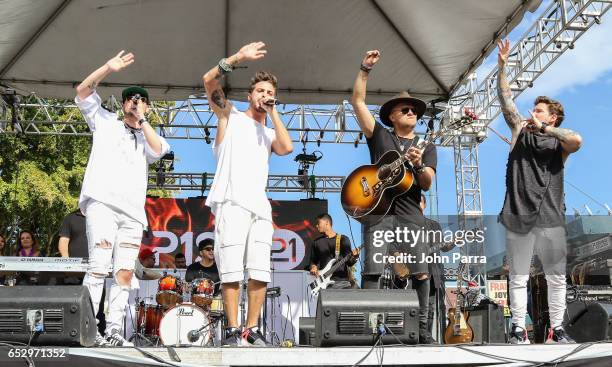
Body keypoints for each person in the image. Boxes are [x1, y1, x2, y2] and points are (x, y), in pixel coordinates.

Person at [75, 50, 170, 347]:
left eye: (141, 99)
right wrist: (107, 67)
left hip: (131, 214)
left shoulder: (149, 135)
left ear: (148, 107)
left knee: (124, 273)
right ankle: (88, 329)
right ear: (122, 103)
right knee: (99, 267)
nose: (135, 101)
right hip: (102, 204)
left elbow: (159, 150)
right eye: (131, 98)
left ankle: (114, 330)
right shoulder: (105, 122)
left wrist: (143, 121)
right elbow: (82, 91)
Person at [202, 41, 293, 346]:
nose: (265, 96)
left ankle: (251, 329)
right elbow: (208, 81)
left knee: (259, 270)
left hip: (259, 206)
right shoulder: (230, 116)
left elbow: (287, 148)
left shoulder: (269, 133)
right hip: (231, 201)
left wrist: (274, 113)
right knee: (230, 267)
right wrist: (238, 57)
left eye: (270, 92)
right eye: (260, 91)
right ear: (249, 95)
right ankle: (231, 328)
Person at [496, 39, 581, 344]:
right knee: (517, 276)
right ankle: (518, 327)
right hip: (519, 213)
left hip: (551, 217)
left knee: (556, 277)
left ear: (552, 117)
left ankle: (557, 329)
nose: (533, 112)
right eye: (533, 109)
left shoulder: (558, 140)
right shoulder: (520, 129)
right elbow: (505, 100)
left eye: (540, 110)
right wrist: (502, 67)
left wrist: (544, 129)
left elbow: (578, 140)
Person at [350, 50, 437, 343]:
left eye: (414, 110)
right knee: (373, 271)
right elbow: (358, 102)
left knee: (420, 272)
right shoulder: (380, 136)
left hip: (411, 214)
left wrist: (418, 164)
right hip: (377, 210)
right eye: (405, 110)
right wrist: (364, 70)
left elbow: (427, 184)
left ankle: (423, 330)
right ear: (391, 116)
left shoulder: (425, 146)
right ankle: (370, 329)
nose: (412, 112)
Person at [310, 214, 359, 289]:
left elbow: (349, 263)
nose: (316, 226)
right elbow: (313, 261)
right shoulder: (316, 242)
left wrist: (355, 257)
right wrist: (313, 267)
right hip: (325, 284)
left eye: (318, 223)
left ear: (327, 223)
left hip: (343, 283)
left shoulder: (343, 239)